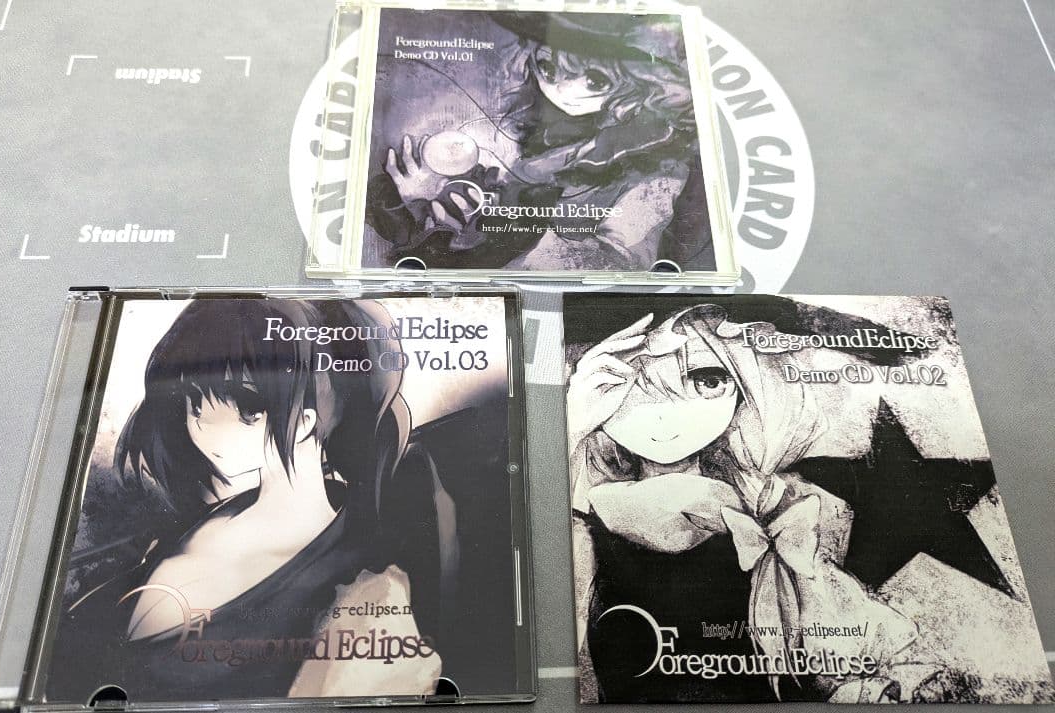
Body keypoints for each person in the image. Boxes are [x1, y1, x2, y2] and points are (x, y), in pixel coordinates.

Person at [45, 299, 444, 702]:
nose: (204, 426)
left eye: (247, 408)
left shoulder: (365, 594)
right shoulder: (210, 516)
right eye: (195, 400)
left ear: (306, 421)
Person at [568, 305, 918, 702]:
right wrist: (573, 427)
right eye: (633, 385)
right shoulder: (587, 513)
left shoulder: (774, 503)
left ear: (746, 385)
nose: (667, 413)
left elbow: (821, 625)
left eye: (708, 380)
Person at [369, 12, 715, 271]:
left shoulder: (658, 170)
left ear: (643, 86)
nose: (560, 89)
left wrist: (476, 231)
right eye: (547, 67)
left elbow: (621, 261)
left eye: (595, 80)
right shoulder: (544, 133)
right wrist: (427, 201)